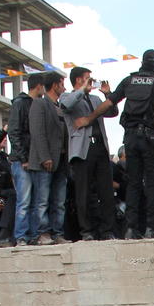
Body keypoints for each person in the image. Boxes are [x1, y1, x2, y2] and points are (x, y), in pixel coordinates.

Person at [76, 50, 154, 239]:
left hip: (131, 138)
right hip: (152, 138)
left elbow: (109, 103)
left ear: (142, 62)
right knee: (153, 183)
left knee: (133, 183)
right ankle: (152, 228)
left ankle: (131, 229)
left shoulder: (129, 80)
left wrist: (89, 118)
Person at [59, 66, 119, 240]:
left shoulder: (95, 99)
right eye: (88, 79)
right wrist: (81, 91)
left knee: (106, 190)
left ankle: (107, 230)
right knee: (83, 192)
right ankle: (86, 230)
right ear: (79, 80)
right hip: (82, 149)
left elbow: (112, 112)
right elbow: (66, 106)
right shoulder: (68, 96)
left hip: (100, 146)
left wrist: (108, 94)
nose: (91, 82)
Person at [28, 71, 68, 245]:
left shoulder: (60, 107)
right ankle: (42, 233)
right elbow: (37, 132)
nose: (64, 88)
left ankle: (57, 233)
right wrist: (45, 157)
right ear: (55, 85)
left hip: (61, 161)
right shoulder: (40, 104)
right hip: (45, 162)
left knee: (59, 201)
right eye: (62, 84)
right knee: (42, 200)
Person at [8, 72, 45, 245]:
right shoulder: (20, 103)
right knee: (24, 201)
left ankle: (32, 235)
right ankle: (21, 236)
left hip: (34, 159)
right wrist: (23, 158)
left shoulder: (36, 104)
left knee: (35, 201)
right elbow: (14, 132)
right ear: (39, 86)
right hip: (22, 160)